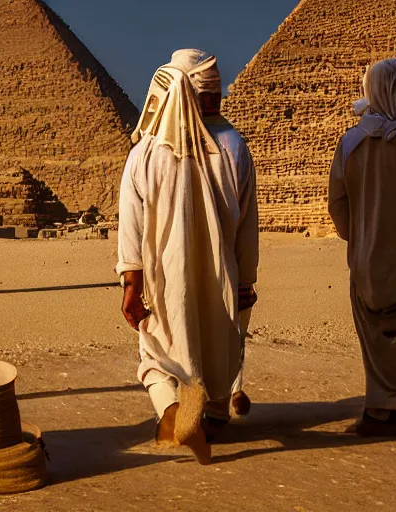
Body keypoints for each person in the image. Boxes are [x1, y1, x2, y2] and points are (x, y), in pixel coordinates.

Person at [116, 49, 259, 463]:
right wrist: (246, 280)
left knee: (157, 351)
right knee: (217, 342)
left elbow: (131, 227)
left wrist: (131, 283)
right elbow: (248, 223)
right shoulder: (234, 146)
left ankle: (172, 409)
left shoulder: (145, 153)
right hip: (223, 273)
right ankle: (213, 414)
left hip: (166, 275)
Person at [329, 58, 396, 436]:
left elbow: (336, 203)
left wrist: (355, 237)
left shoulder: (352, 143)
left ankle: (379, 408)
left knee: (374, 336)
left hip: (368, 257)